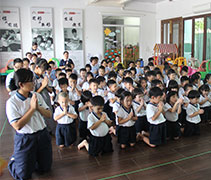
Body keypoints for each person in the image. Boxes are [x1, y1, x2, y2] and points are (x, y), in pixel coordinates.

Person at [6, 68, 52, 180]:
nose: (34, 83)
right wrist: (32, 109)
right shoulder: (12, 102)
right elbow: (17, 125)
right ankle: (14, 160)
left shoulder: (36, 95)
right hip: (25, 138)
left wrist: (38, 108)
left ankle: (32, 158)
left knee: (45, 169)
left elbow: (49, 114)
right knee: (23, 175)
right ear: (21, 84)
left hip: (42, 135)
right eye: (31, 81)